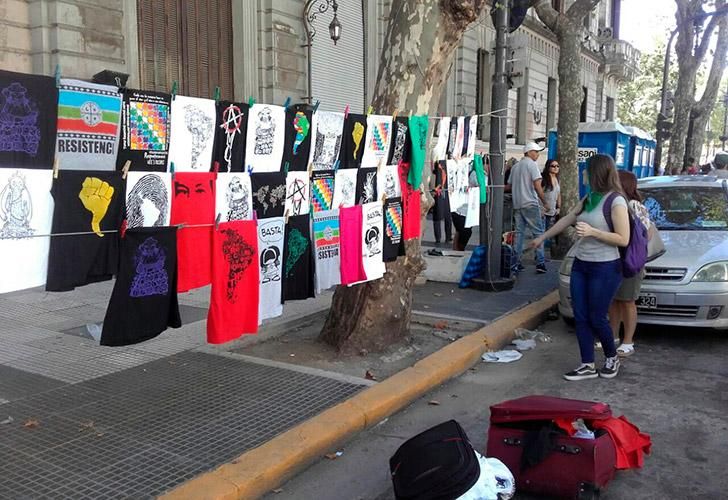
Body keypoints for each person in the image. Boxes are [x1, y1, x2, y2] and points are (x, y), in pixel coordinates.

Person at [529, 154, 630, 381]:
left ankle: (611, 358)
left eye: (586, 170)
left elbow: (623, 238)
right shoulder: (589, 198)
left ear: (597, 173)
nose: (582, 174)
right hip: (582, 265)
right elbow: (568, 219)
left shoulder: (616, 201)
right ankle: (587, 364)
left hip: (605, 267)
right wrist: (541, 238)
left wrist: (594, 232)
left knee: (596, 317)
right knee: (580, 316)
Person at [609, 171, 651, 357]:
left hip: (630, 261)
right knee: (614, 301)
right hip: (615, 259)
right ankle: (613, 336)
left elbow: (646, 234)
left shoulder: (634, 206)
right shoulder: (616, 202)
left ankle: (628, 340)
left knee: (627, 302)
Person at [509, 142, 549, 274]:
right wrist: (545, 202)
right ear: (530, 152)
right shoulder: (532, 165)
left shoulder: (515, 167)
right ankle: (540, 262)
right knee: (538, 233)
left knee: (519, 234)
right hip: (530, 203)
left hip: (517, 204)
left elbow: (509, 186)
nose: (538, 154)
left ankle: (516, 262)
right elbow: (537, 186)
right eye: (536, 152)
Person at [430, 160, 452, 246]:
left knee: (439, 215)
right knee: (446, 215)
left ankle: (439, 238)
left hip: (438, 190)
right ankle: (447, 236)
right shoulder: (445, 164)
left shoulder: (437, 164)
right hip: (443, 190)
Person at [541, 159, 561, 233]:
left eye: (557, 166)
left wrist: (558, 207)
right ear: (548, 167)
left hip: (552, 210)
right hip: (543, 210)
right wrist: (541, 208)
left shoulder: (558, 179)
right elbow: (538, 193)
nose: (556, 168)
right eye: (553, 166)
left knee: (548, 231)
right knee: (541, 232)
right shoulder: (543, 179)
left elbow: (559, 195)